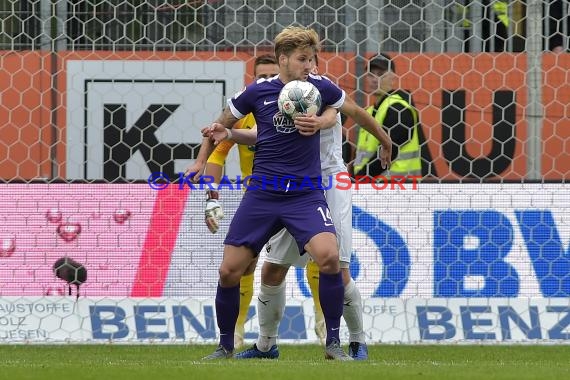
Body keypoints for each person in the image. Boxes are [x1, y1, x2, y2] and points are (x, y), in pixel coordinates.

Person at [196, 25, 392, 361]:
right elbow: (244, 134)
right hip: (267, 190)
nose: (309, 65)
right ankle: (259, 345)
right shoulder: (261, 95)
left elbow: (343, 112)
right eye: (303, 59)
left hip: (324, 183)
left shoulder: (319, 90)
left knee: (333, 262)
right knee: (262, 269)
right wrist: (205, 160)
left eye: (312, 58)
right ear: (283, 59)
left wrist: (383, 140)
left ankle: (348, 341)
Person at [193, 53, 327, 348]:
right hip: (259, 197)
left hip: (301, 193)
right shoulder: (250, 111)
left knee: (320, 257)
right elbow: (217, 153)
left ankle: (323, 325)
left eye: (271, 74)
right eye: (260, 76)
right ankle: (237, 331)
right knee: (247, 265)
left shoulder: (308, 103)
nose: (268, 81)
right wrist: (211, 198)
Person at [352, 53, 421, 179]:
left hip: (398, 188)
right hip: (374, 187)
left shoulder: (399, 109)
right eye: (370, 74)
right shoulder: (369, 111)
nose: (374, 79)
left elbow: (389, 152)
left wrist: (358, 180)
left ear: (393, 77)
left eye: (381, 74)